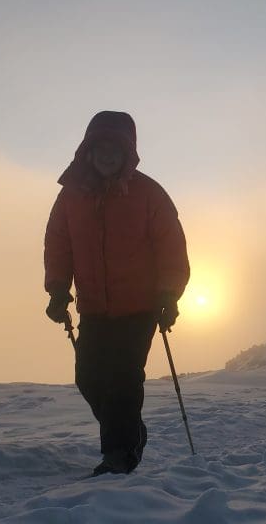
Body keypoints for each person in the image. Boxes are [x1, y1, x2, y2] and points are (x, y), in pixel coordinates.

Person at [43, 110, 190, 476]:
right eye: (100, 147)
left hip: (139, 307)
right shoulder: (70, 197)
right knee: (89, 378)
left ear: (128, 153)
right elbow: (58, 245)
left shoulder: (148, 194)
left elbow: (171, 247)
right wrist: (58, 290)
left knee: (124, 378)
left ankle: (119, 454)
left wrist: (168, 295)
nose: (107, 154)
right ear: (87, 151)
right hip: (93, 307)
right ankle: (131, 432)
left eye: (116, 148)